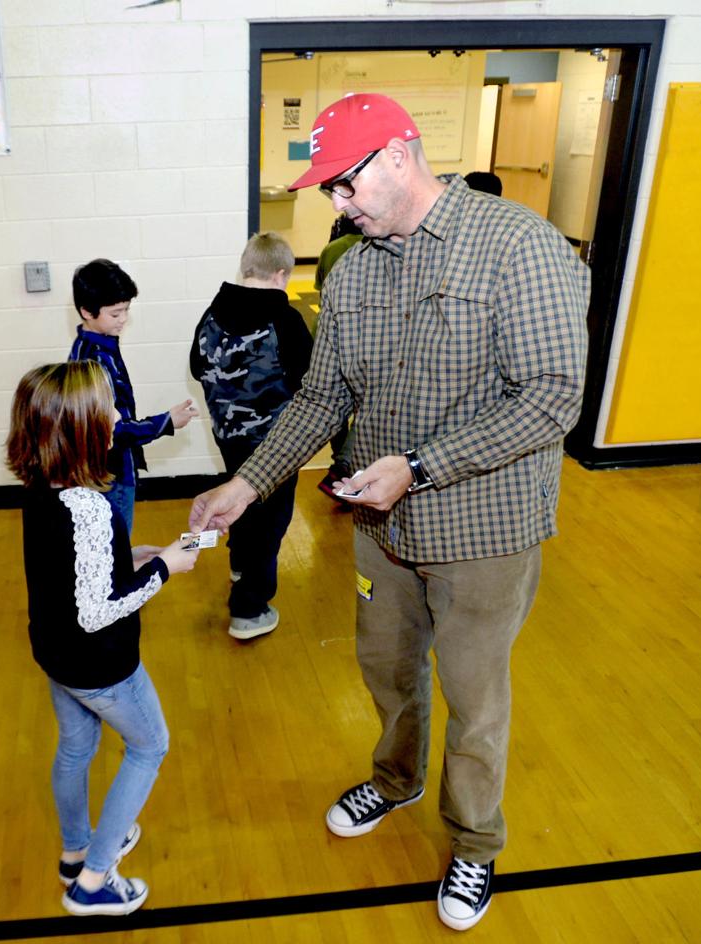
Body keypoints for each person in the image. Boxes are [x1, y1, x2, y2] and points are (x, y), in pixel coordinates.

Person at [188, 92, 589, 931]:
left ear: (397, 159)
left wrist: (422, 466)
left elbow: (553, 399)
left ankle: (475, 846)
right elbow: (322, 395)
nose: (334, 205)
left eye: (341, 186)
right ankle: (397, 780)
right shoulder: (357, 267)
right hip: (383, 528)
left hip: (484, 530)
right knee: (386, 670)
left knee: (476, 700)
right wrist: (247, 483)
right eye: (328, 190)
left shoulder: (518, 247)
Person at [5, 360, 199, 917]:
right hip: (101, 665)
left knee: (75, 747)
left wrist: (133, 558)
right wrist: (165, 569)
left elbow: (74, 575)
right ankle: (92, 881)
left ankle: (75, 851)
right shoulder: (88, 507)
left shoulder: (42, 487)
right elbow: (99, 611)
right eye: (110, 408)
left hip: (55, 653)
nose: (120, 415)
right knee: (149, 746)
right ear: (83, 428)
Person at [189, 231, 312, 640]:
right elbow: (308, 381)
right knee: (271, 520)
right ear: (281, 274)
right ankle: (249, 608)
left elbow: (196, 365)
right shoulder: (286, 319)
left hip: (228, 435)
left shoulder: (213, 311)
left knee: (238, 498)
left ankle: (239, 564)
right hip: (276, 446)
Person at [69, 258, 199, 535]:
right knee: (117, 552)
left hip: (111, 469)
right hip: (111, 475)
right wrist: (166, 422)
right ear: (86, 312)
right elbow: (112, 429)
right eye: (115, 314)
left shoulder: (94, 346)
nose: (124, 319)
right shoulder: (92, 362)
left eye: (126, 310)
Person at [313, 212, 365, 505]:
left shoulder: (332, 249)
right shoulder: (378, 246)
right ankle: (348, 464)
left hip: (333, 333)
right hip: (369, 335)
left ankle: (340, 459)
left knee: (334, 401)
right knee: (368, 403)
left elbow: (320, 291)